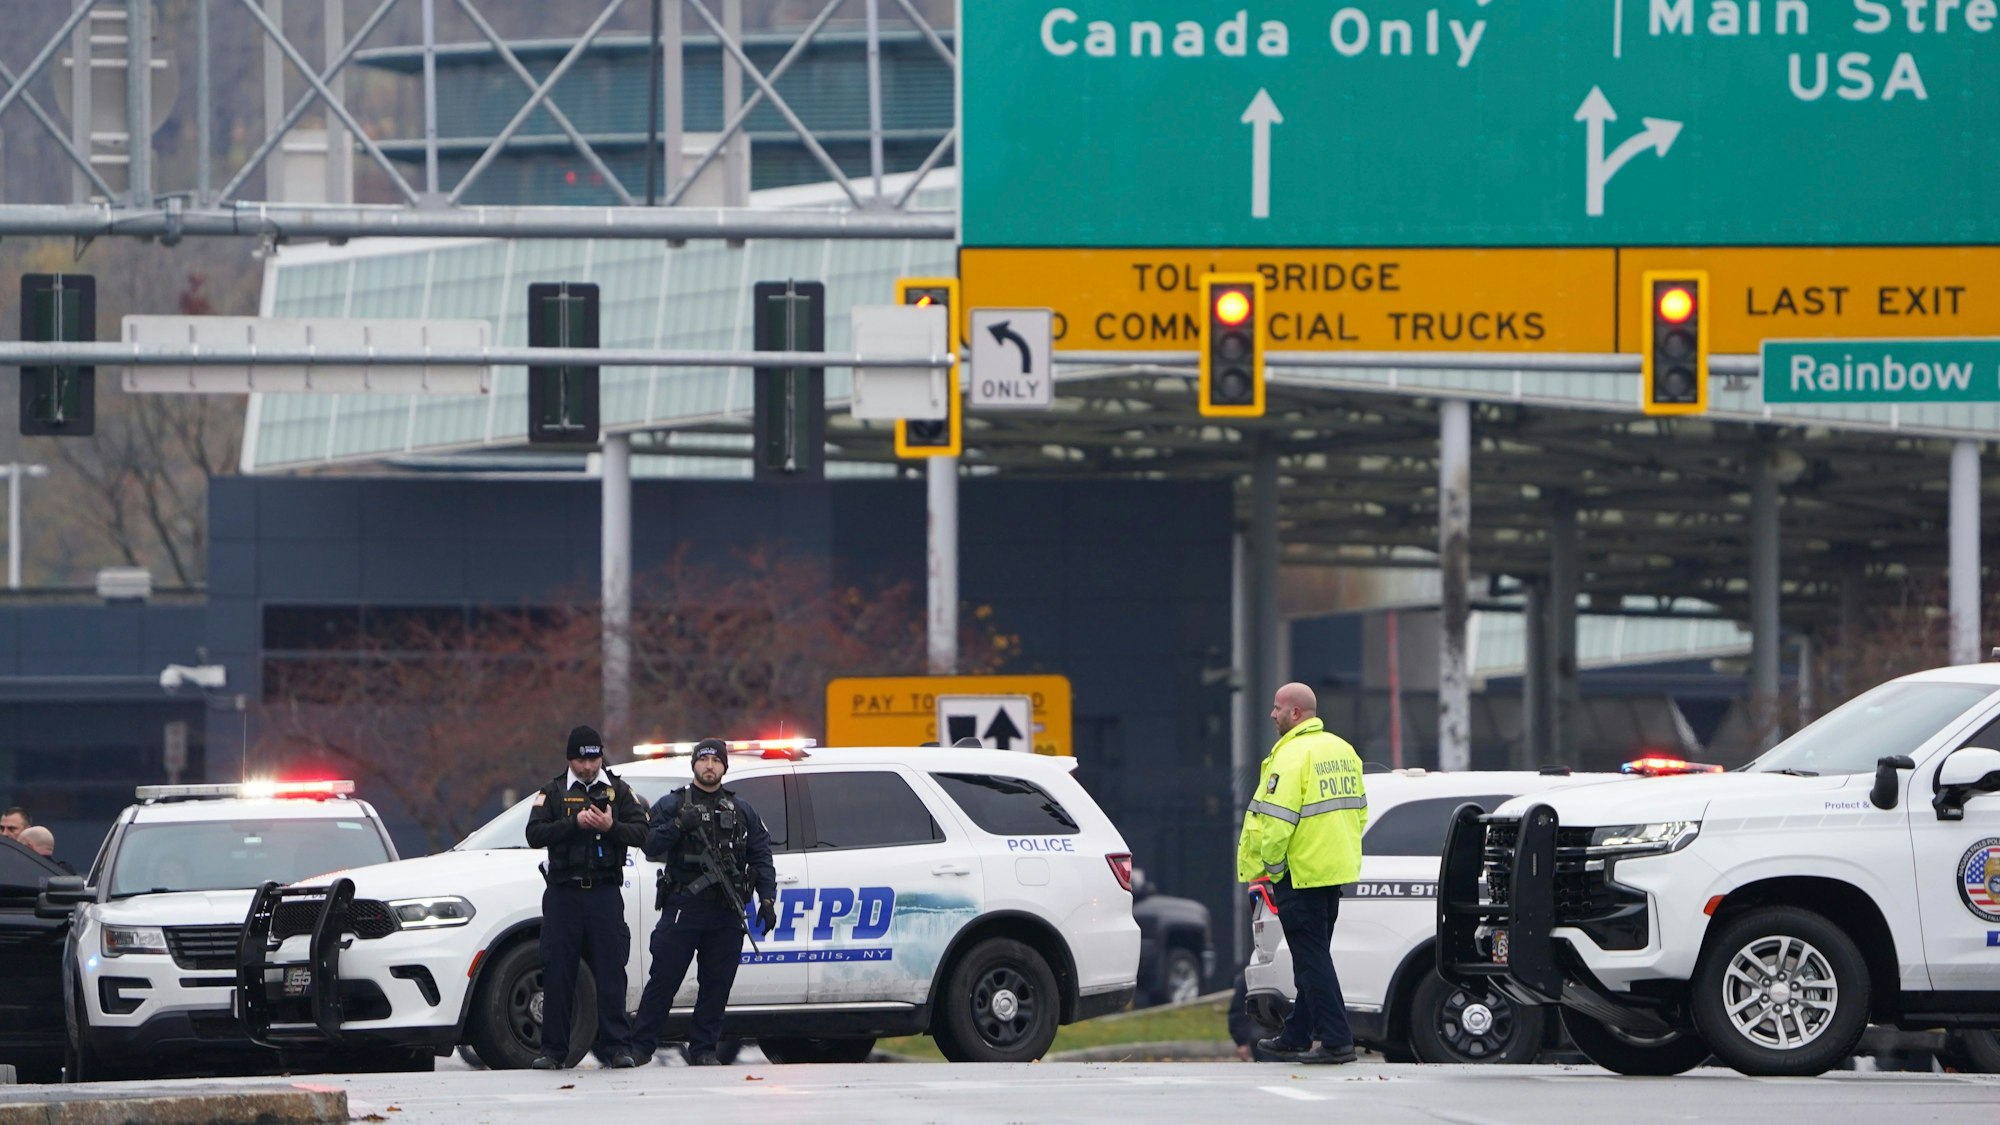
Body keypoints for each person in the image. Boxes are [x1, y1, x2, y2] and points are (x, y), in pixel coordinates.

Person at [1237, 682, 1367, 1065]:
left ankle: (1338, 1041)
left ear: (1296, 714)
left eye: (1277, 708)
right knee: (1314, 957)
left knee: (1311, 961)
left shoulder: (1292, 756)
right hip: (1331, 872)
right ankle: (1296, 1035)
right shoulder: (1343, 750)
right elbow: (1359, 813)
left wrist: (1274, 872)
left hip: (1299, 873)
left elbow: (1276, 824)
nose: (1272, 715)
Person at [631, 739, 777, 1066]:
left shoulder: (742, 810)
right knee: (664, 979)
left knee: (717, 984)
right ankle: (641, 1047)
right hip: (684, 905)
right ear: (694, 765)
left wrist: (767, 898)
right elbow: (650, 845)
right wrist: (680, 825)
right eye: (704, 759)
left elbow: (761, 855)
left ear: (725, 767)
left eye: (716, 760)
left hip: (726, 910)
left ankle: (703, 1050)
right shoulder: (672, 804)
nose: (709, 765)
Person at [524, 724, 648, 1070]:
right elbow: (534, 834)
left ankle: (616, 1047)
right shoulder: (552, 792)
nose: (589, 768)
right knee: (559, 972)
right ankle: (553, 1051)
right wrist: (574, 824)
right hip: (564, 894)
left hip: (605, 894)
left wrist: (611, 829)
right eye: (582, 760)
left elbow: (642, 832)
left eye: (594, 760)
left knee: (611, 971)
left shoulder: (619, 792)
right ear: (570, 759)